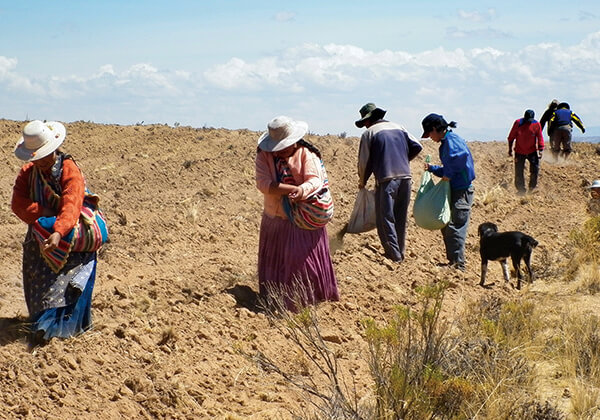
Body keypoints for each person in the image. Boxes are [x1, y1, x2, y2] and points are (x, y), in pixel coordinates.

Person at [11, 120, 106, 348]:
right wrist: (42, 214)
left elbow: (72, 203)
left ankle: (62, 328)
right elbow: (18, 204)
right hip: (41, 233)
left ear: (53, 150)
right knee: (39, 280)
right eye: (36, 158)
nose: (40, 162)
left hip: (71, 230)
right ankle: (40, 324)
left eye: (43, 157)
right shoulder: (28, 173)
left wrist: (58, 231)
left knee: (68, 282)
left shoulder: (69, 169)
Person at [255, 116, 339, 311]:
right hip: (275, 218)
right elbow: (264, 184)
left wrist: (301, 191)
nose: (281, 150)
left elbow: (314, 181)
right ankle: (275, 302)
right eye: (277, 147)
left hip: (303, 219)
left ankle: (305, 302)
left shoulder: (306, 154)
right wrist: (289, 190)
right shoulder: (264, 156)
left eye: (284, 146)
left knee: (301, 263)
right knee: (278, 264)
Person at [354, 103, 423, 263]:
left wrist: (362, 181)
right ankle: (401, 251)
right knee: (400, 216)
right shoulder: (399, 127)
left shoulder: (369, 133)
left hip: (386, 179)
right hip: (406, 177)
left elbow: (364, 161)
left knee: (385, 217)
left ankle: (394, 256)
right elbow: (417, 146)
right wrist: (404, 159)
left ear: (367, 120)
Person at [421, 113, 476, 271]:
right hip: (454, 189)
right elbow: (449, 168)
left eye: (429, 134)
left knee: (455, 226)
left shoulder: (452, 141)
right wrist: (433, 169)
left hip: (462, 191)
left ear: (434, 129)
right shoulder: (446, 143)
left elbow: (460, 157)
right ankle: (453, 262)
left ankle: (458, 266)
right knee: (446, 225)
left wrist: (448, 175)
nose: (430, 137)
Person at [507, 109, 545, 195]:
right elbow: (511, 137)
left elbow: (540, 137)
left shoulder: (536, 124)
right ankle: (521, 190)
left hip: (532, 151)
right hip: (519, 151)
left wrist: (541, 149)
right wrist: (510, 149)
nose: (528, 122)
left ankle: (532, 187)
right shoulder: (518, 123)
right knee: (519, 170)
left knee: (535, 169)